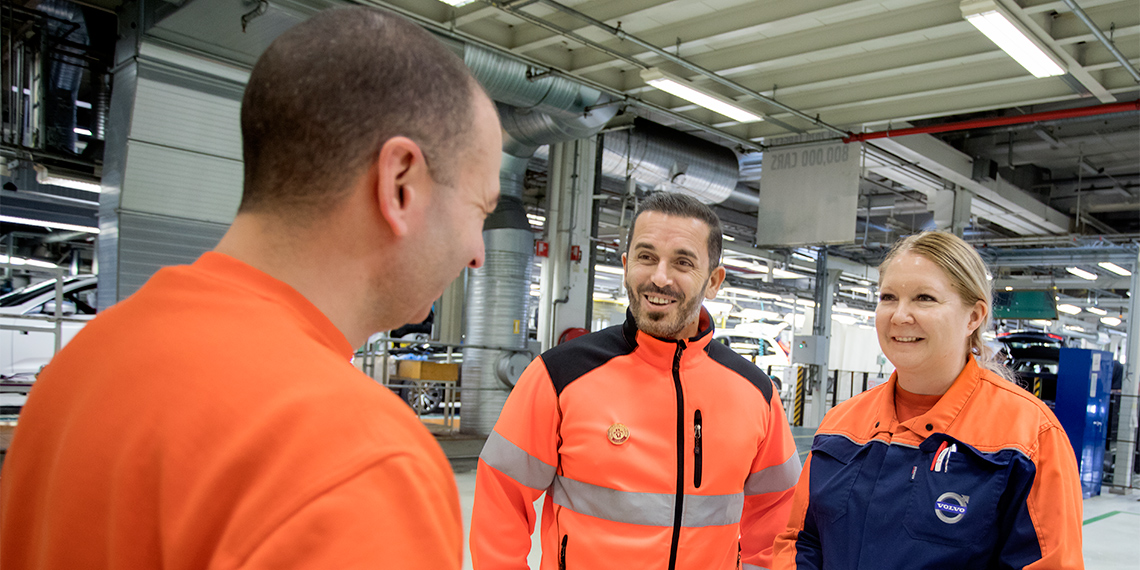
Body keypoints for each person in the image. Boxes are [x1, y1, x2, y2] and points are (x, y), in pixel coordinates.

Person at [0, 8, 501, 569]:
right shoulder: (357, 456)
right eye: (480, 209)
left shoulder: (77, 371)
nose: (479, 252)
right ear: (400, 185)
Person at [471, 192, 801, 570]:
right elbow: (501, 496)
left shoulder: (755, 392)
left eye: (682, 262)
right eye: (646, 257)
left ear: (714, 281)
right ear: (626, 265)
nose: (660, 277)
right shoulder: (560, 376)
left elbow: (779, 515)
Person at [773, 232, 1084, 569]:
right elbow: (800, 540)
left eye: (924, 298)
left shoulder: (1030, 437)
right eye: (888, 297)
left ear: (974, 316)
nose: (899, 315)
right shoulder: (841, 425)